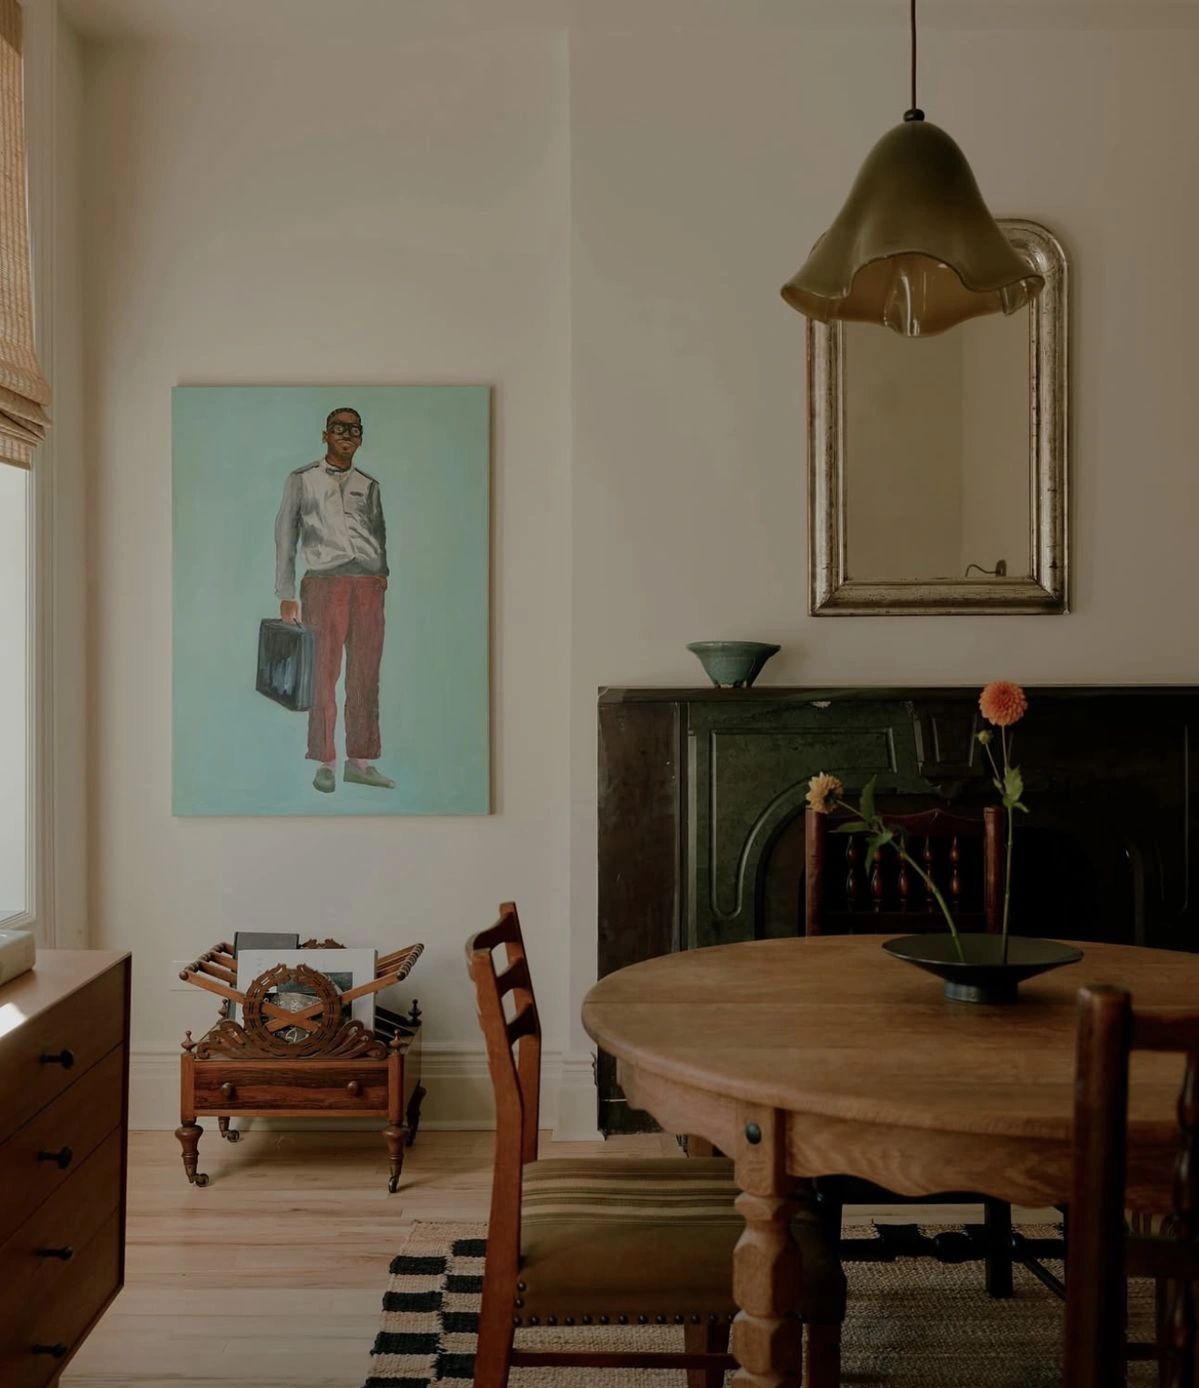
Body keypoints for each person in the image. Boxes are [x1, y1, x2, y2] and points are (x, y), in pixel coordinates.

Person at [274, 407, 394, 793]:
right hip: (324, 585)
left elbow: (378, 531)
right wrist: (287, 593)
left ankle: (360, 761)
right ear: (325, 434)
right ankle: (325, 760)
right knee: (322, 676)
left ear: (361, 437)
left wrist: (381, 575)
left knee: (365, 675)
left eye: (354, 429)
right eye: (339, 429)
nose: (347, 434)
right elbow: (285, 536)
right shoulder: (301, 480)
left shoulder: (368, 484)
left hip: (368, 587)